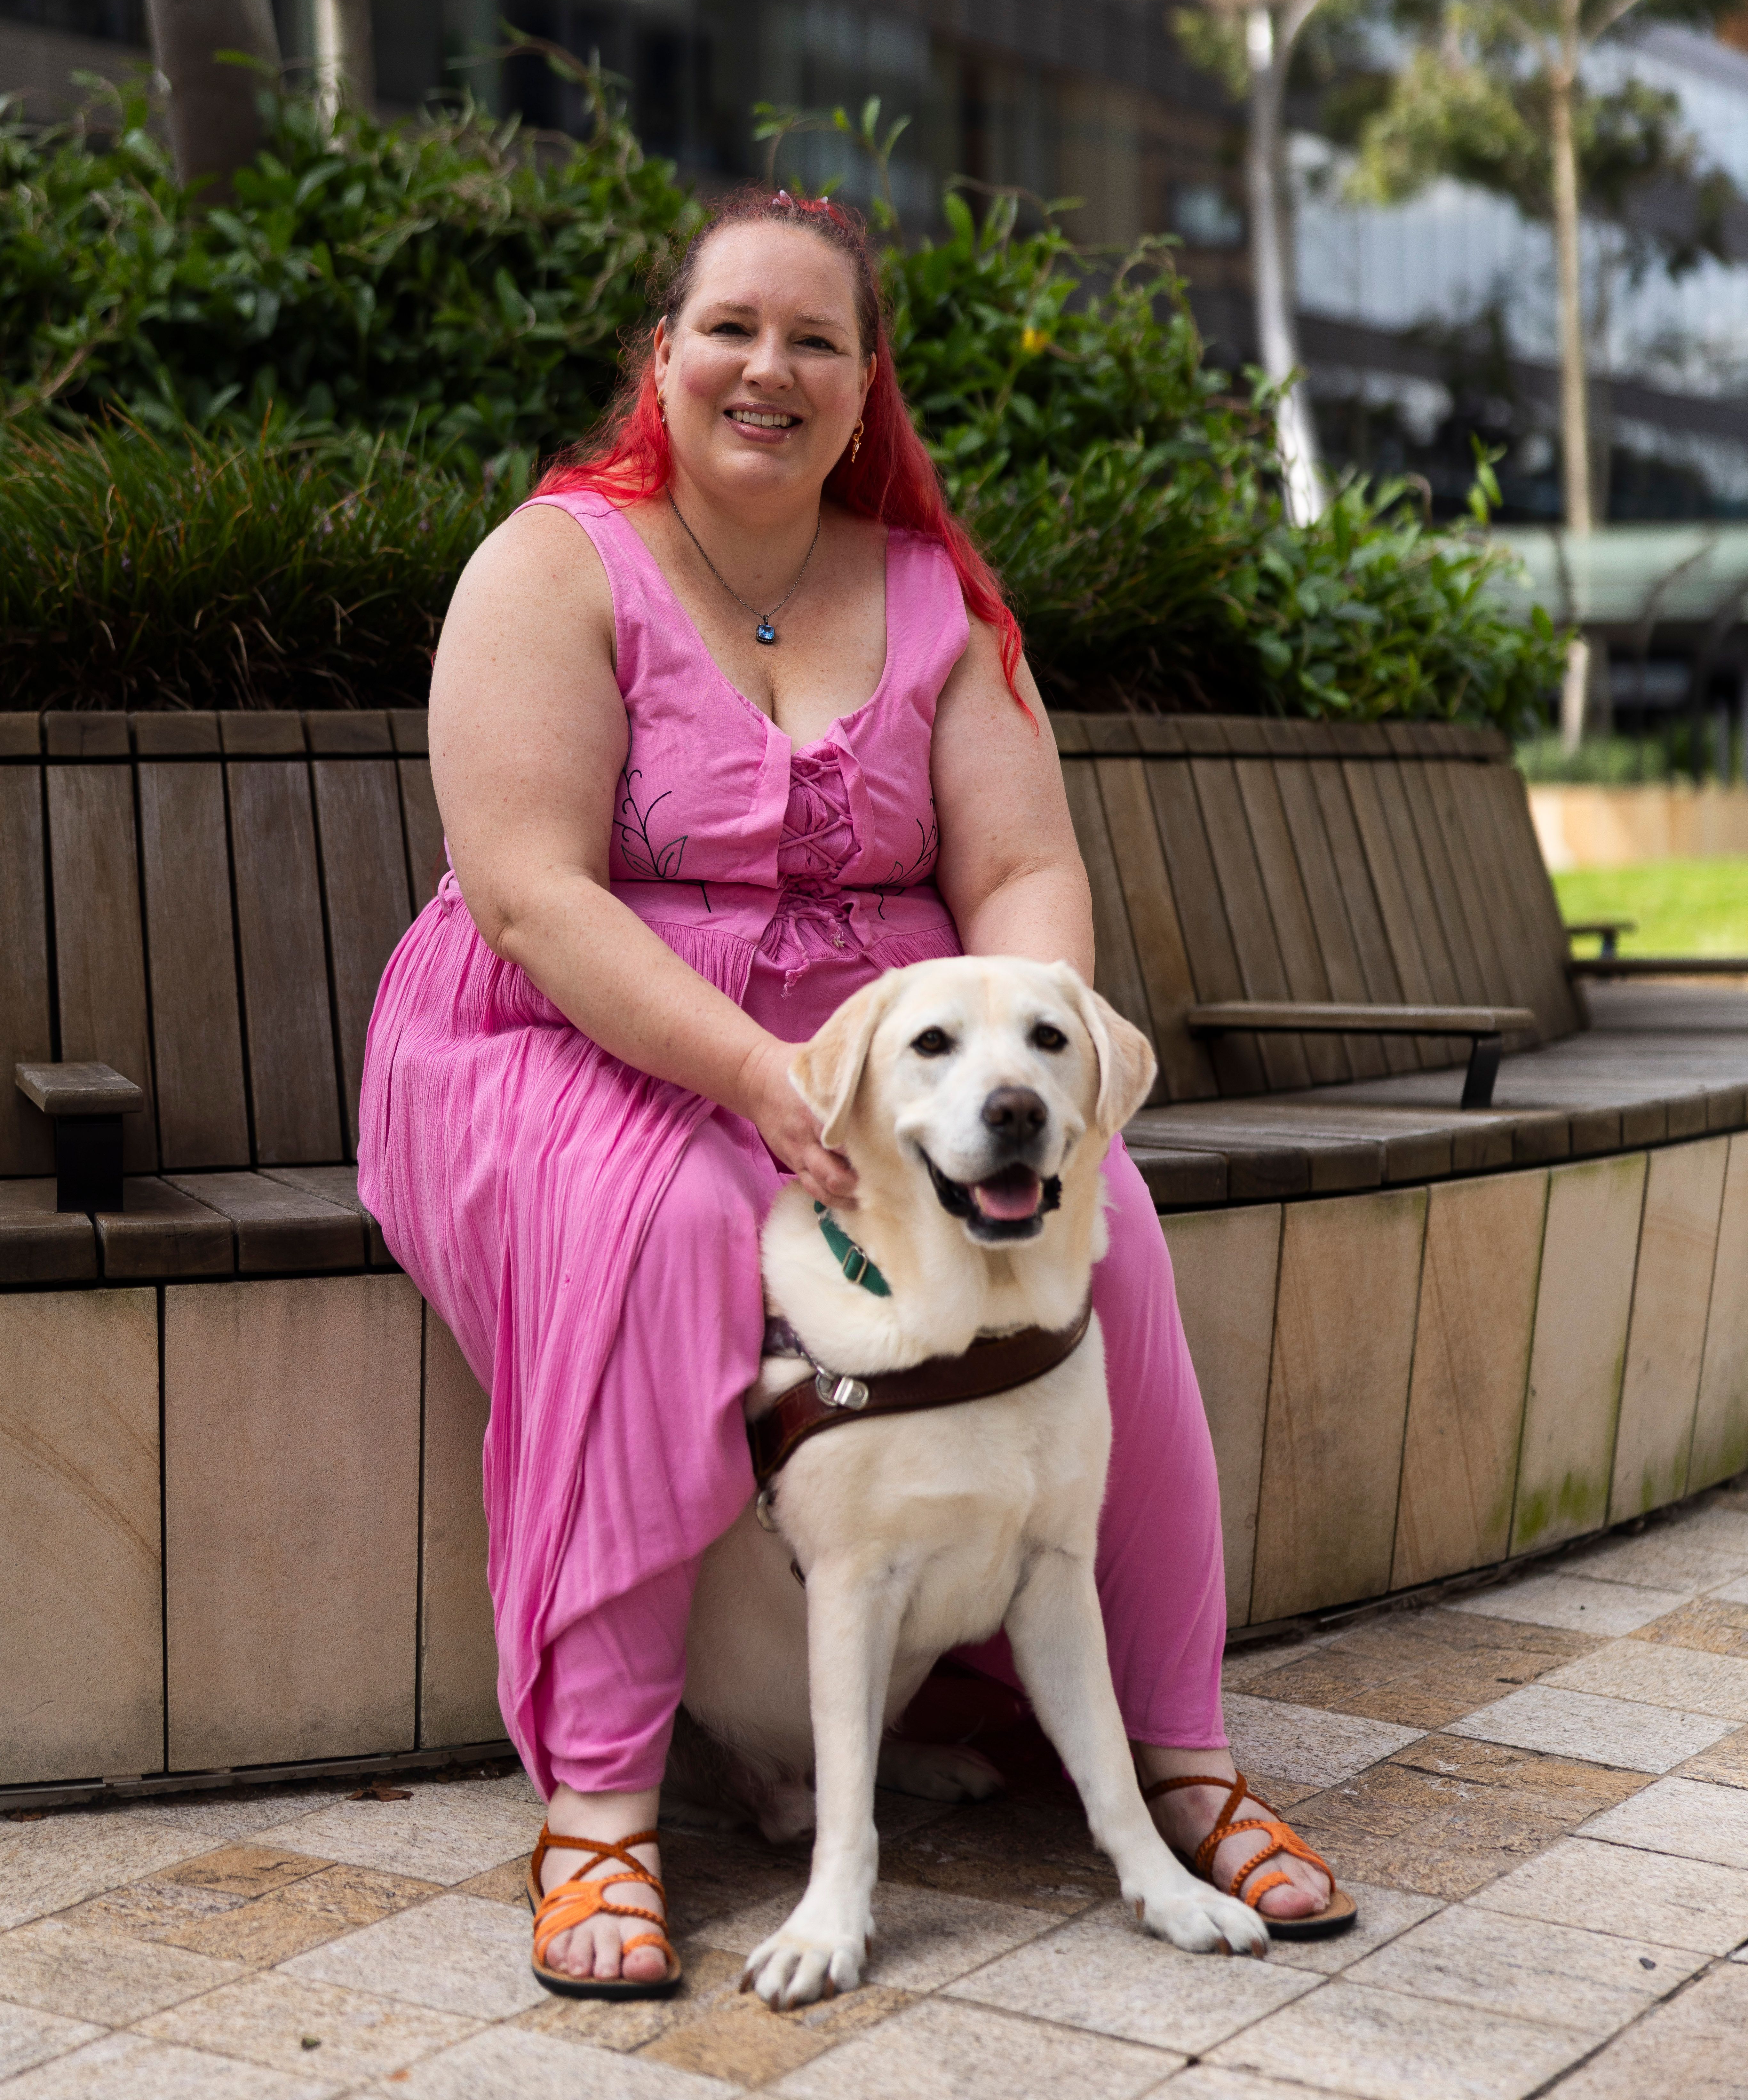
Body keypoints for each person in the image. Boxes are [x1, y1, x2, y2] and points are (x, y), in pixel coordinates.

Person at [357, 186, 1347, 1998]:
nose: (770, 368)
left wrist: (1033, 1049)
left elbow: (1028, 875)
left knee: (1101, 1220)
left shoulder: (930, 600)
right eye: (732, 327)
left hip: (884, 1063)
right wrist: (747, 1075)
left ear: (866, 383)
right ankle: (599, 1804)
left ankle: (1177, 1752)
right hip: (557, 1043)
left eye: (816, 339)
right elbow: (528, 892)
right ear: (662, 357)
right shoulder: (555, 563)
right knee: (669, 1224)